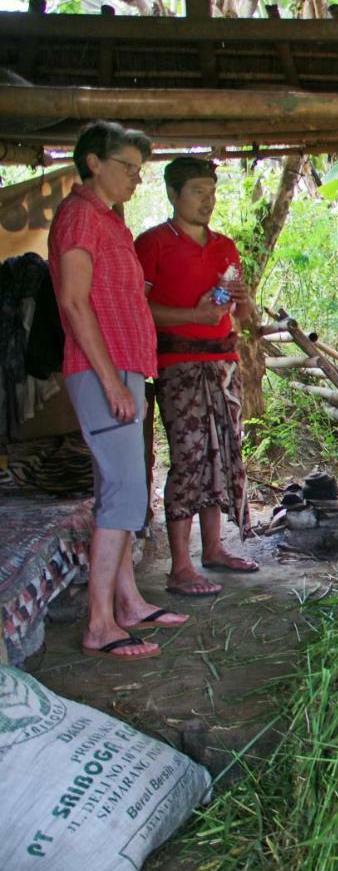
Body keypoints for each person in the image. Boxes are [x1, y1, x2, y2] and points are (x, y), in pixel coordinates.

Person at [50, 121, 188, 662]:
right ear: (92, 162)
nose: (135, 178)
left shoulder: (107, 219)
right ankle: (100, 623)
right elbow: (75, 303)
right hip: (101, 370)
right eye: (127, 167)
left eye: (138, 169)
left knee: (126, 490)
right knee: (124, 490)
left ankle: (127, 603)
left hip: (123, 366)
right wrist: (111, 380)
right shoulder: (80, 216)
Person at [136, 157, 257, 597]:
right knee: (189, 456)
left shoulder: (225, 246)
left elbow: (243, 315)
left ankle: (214, 550)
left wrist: (244, 300)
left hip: (223, 362)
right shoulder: (152, 244)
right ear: (172, 194)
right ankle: (180, 567)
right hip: (178, 364)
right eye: (196, 191)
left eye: (212, 191)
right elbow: (138, 308)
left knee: (222, 451)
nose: (207, 200)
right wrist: (194, 314)